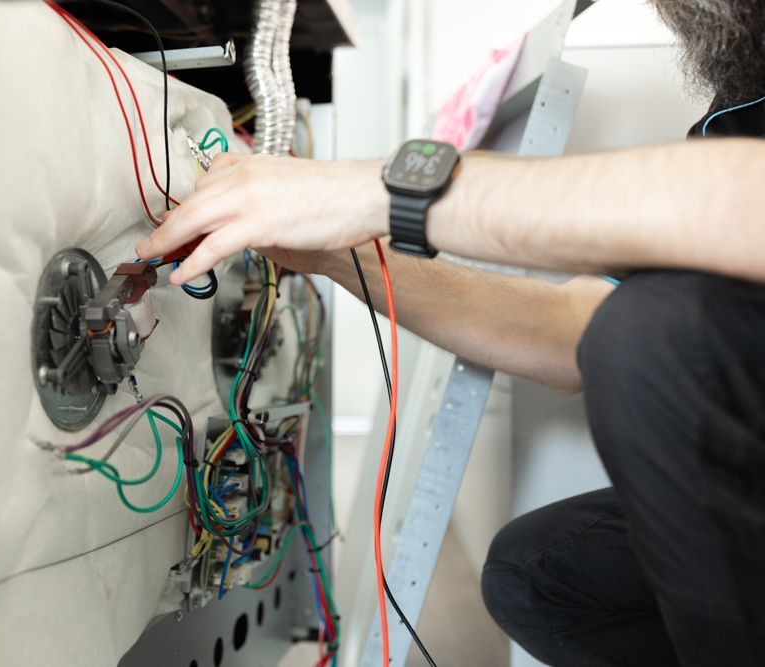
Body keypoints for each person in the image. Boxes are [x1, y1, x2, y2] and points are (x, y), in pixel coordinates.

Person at [138, 0, 765, 664]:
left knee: (652, 339)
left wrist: (381, 192)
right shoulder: (738, 108)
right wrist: (333, 252)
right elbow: (576, 329)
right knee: (538, 573)